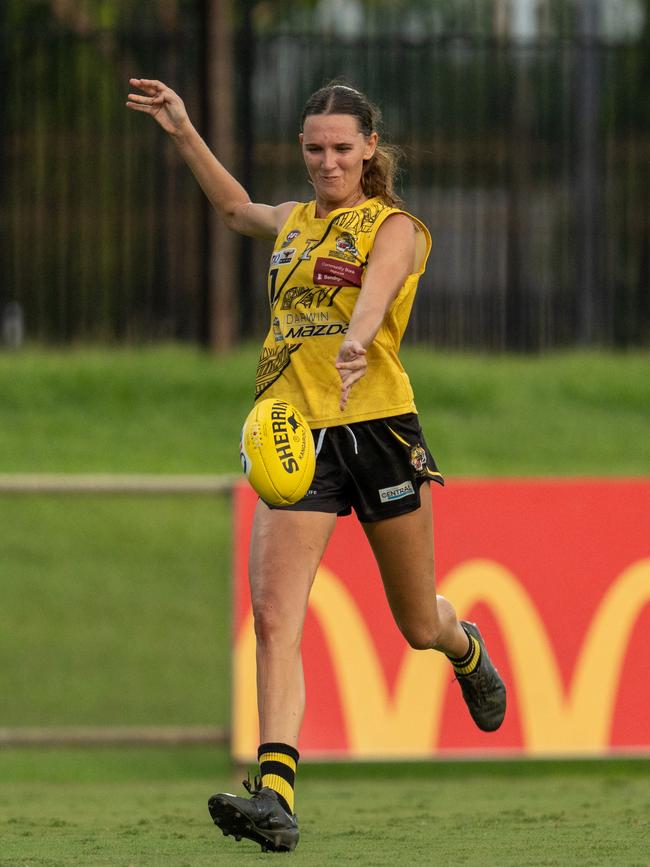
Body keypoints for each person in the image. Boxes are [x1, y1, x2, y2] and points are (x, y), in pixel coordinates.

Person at [127, 78, 506, 853]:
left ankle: (462, 643)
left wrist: (359, 335)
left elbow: (381, 281)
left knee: (414, 622)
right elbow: (237, 210)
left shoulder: (394, 223)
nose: (327, 161)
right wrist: (183, 129)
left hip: (378, 431)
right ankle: (277, 793)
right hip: (298, 438)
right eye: (313, 148)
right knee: (273, 613)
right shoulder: (295, 222)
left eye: (341, 147)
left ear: (370, 147)